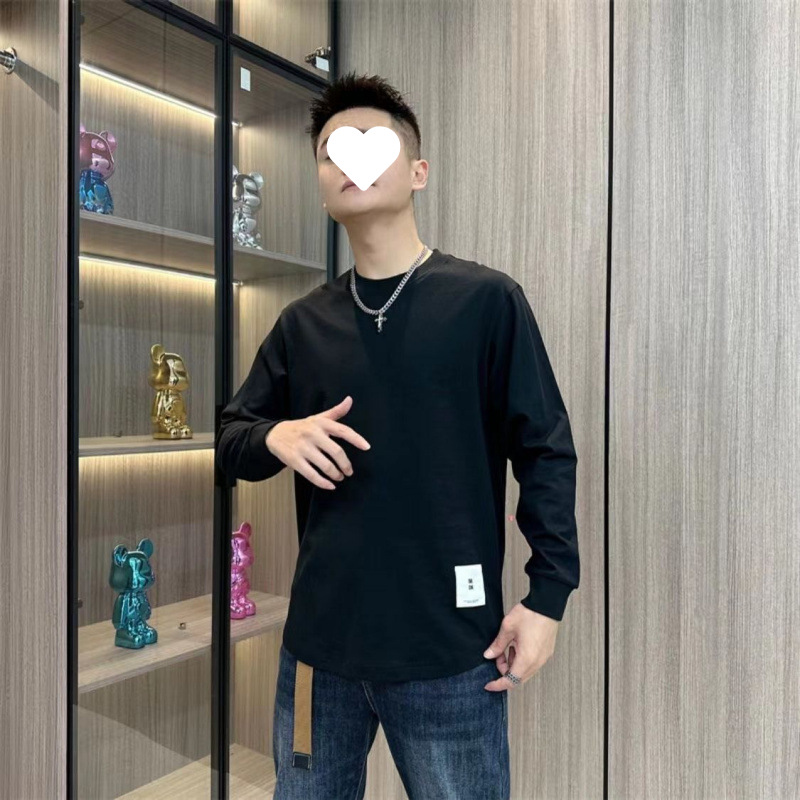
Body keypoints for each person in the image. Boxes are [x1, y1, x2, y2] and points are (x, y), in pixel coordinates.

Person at [215, 70, 580, 800]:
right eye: (332, 151)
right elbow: (230, 441)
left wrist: (547, 598)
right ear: (322, 185)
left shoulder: (486, 302)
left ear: (418, 171)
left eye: (372, 144)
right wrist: (276, 436)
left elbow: (545, 451)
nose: (349, 161)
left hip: (452, 654)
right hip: (319, 654)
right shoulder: (301, 324)